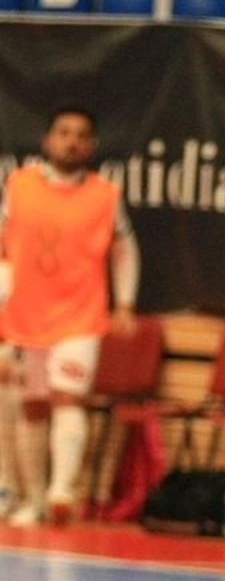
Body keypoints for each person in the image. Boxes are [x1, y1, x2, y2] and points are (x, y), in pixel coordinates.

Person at [0, 104, 139, 526]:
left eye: (81, 136)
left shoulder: (104, 195)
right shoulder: (19, 185)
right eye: (63, 133)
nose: (71, 142)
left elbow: (125, 250)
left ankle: (62, 491)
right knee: (32, 405)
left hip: (81, 315)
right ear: (47, 141)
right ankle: (34, 498)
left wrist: (125, 303)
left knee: (67, 395)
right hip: (26, 316)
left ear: (91, 147)